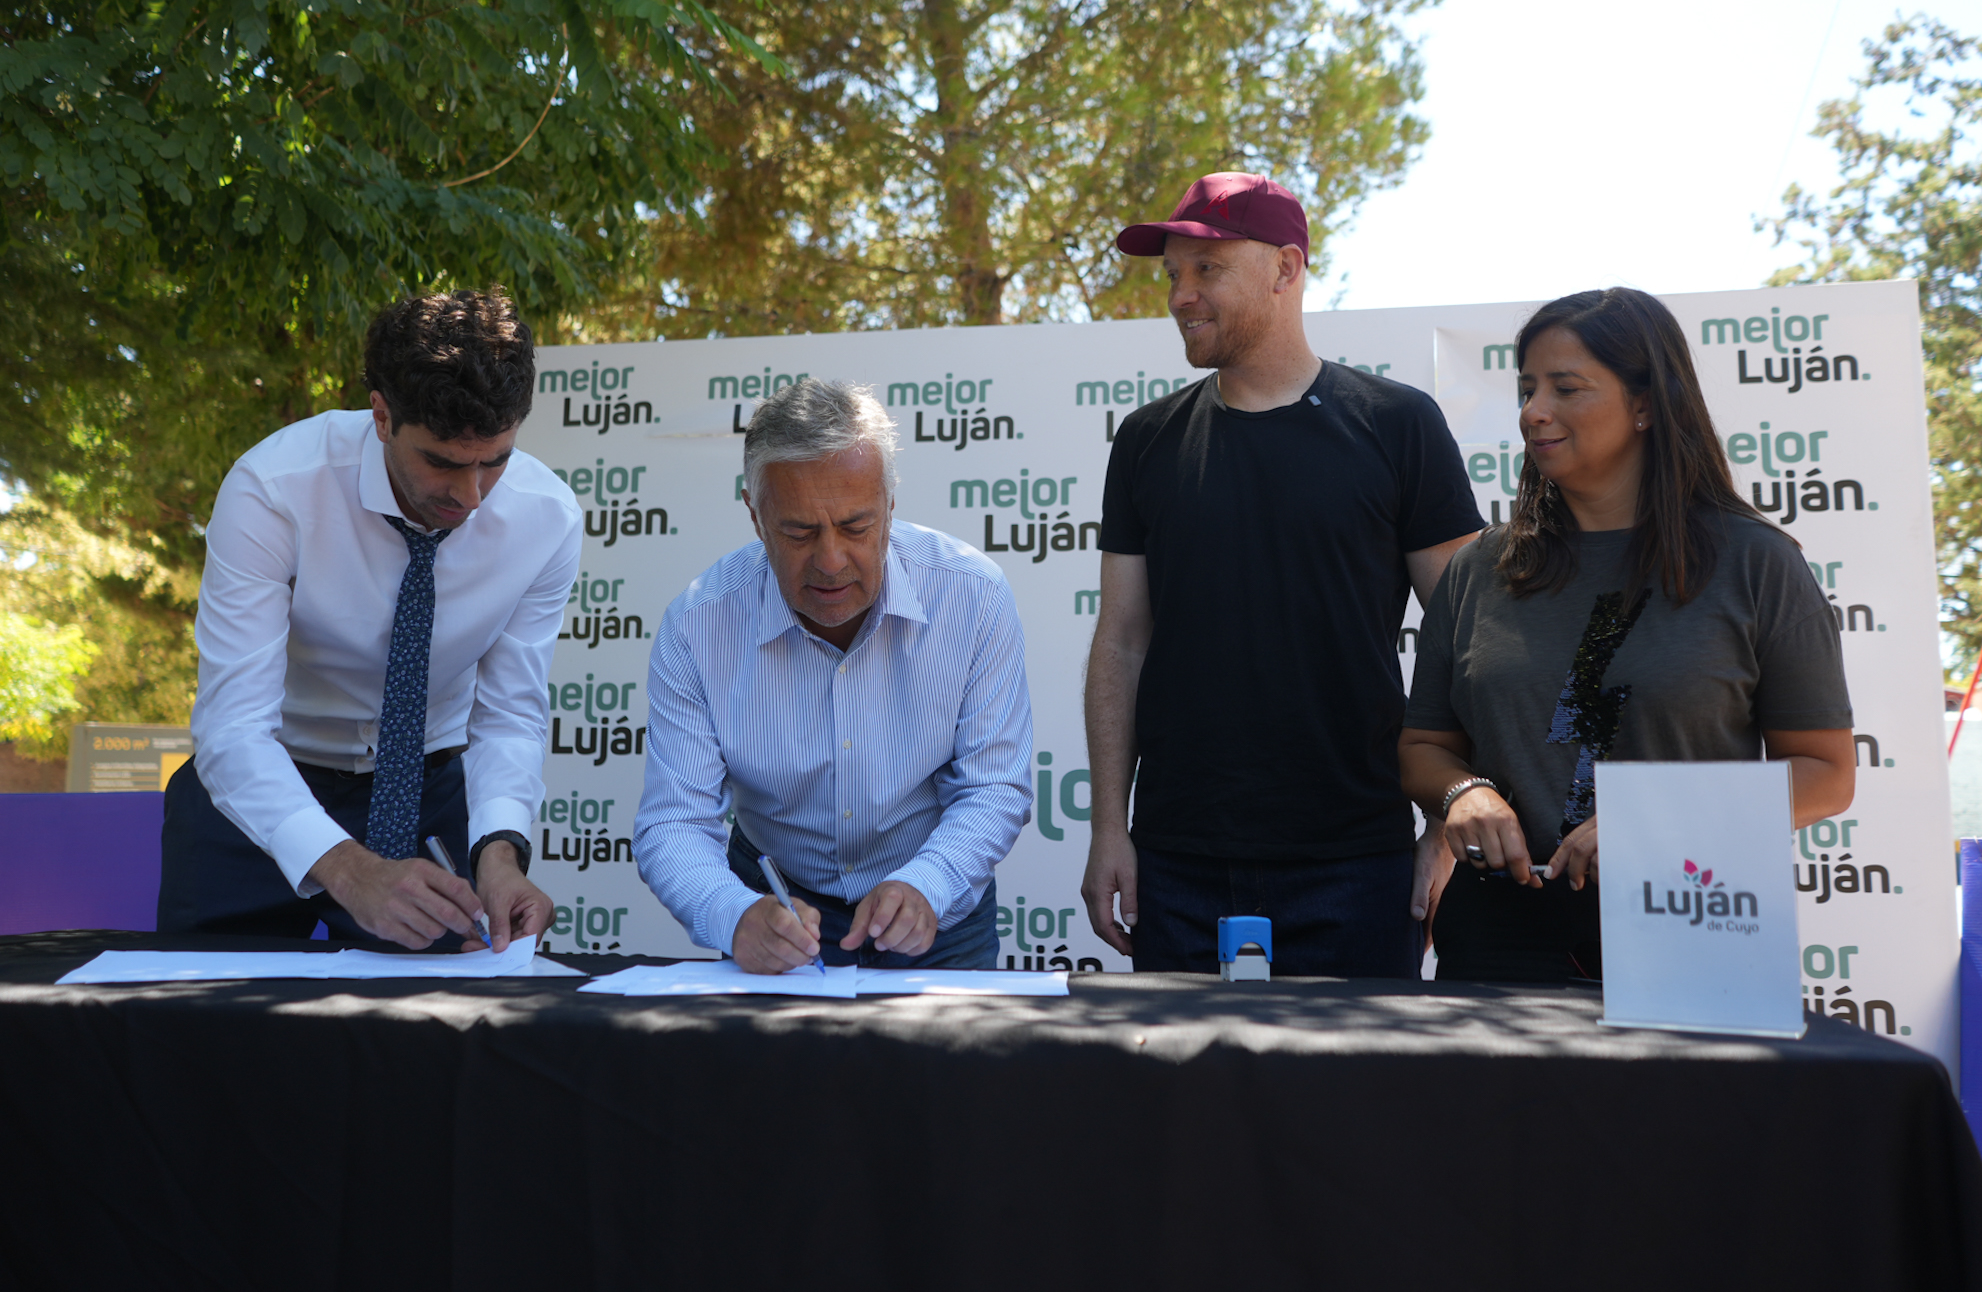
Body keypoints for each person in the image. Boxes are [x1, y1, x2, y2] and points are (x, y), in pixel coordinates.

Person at [1080, 170, 1485, 977]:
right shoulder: (1145, 440)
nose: (1181, 295)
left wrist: (1442, 829)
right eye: (1171, 275)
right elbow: (1121, 643)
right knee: (1181, 1107)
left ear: (1286, 269)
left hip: (1357, 864)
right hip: (1177, 864)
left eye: (1207, 269)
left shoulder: (1398, 425)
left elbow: (1472, 641)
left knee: (1354, 1108)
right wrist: (1108, 831)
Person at [1399, 287, 1856, 982]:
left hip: (1698, 931)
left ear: (1646, 404)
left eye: (1566, 388)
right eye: (1527, 389)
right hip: (1499, 949)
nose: (1534, 412)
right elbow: (1425, 749)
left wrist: (1660, 823)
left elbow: (1826, 775)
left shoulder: (1756, 562)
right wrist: (1464, 794)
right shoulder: (1478, 569)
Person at [159, 289, 571, 951]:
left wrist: (498, 852)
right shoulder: (272, 489)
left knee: (429, 1045)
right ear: (382, 416)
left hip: (430, 799)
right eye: (442, 461)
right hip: (258, 794)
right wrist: (350, 868)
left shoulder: (547, 518)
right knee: (212, 1039)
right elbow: (232, 728)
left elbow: (508, 714)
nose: (469, 496)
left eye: (495, 460)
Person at [634, 379, 1032, 972]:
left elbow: (994, 785)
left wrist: (930, 882)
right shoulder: (698, 626)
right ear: (754, 512)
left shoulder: (972, 597)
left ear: (891, 504)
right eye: (798, 533)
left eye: (855, 527)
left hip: (937, 910)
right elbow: (674, 821)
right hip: (771, 905)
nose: (830, 561)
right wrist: (732, 913)